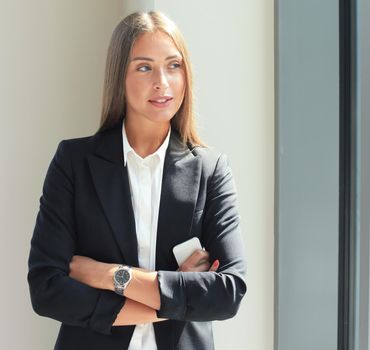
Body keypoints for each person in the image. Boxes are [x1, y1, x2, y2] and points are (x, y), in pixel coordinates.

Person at [27, 10, 247, 350]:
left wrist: (109, 276)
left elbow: (228, 292)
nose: (163, 81)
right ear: (120, 77)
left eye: (174, 65)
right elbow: (47, 289)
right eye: (144, 67)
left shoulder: (211, 170)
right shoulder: (74, 162)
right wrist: (177, 296)